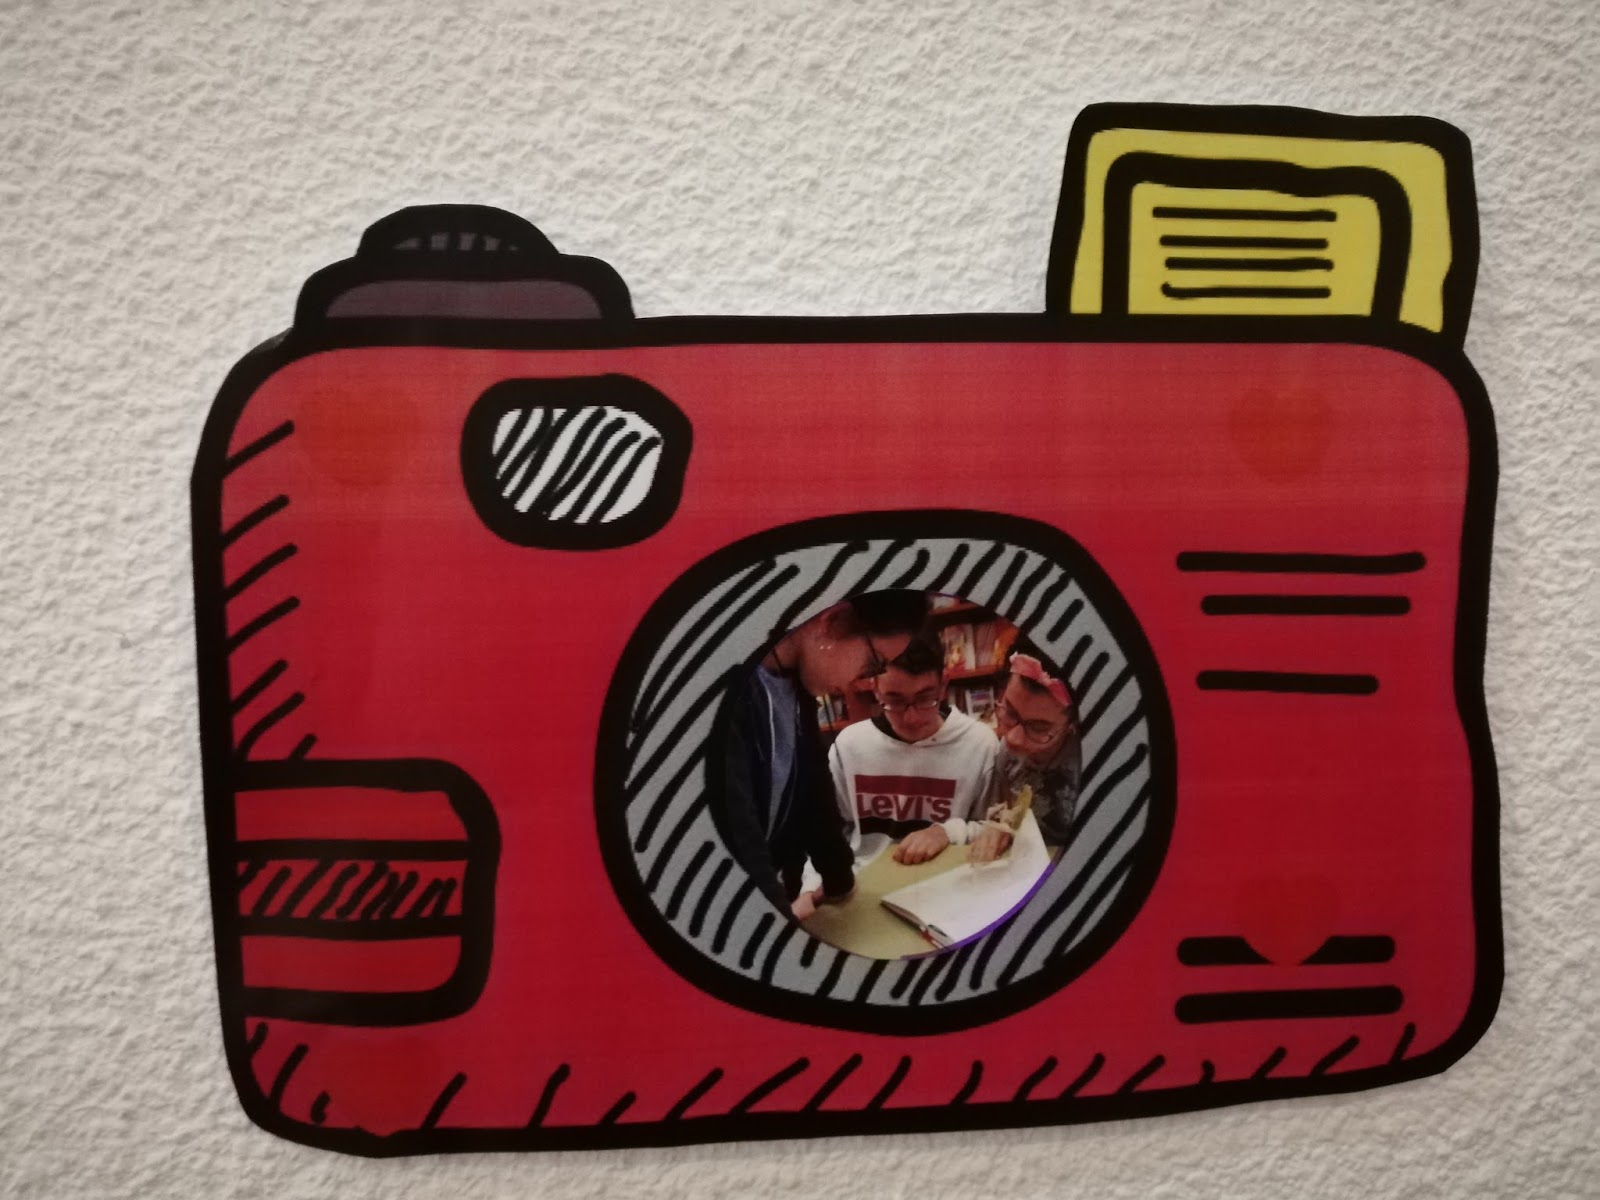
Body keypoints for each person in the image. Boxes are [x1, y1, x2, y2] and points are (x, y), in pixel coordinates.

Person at [716, 590, 927, 921]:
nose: (863, 680)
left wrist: (839, 880)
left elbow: (814, 792)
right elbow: (735, 833)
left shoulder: (794, 685)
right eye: (872, 664)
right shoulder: (726, 695)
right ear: (832, 622)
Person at [828, 635, 1000, 866]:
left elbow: (997, 830)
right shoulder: (849, 745)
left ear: (943, 686)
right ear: (875, 689)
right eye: (895, 701)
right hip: (865, 875)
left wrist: (947, 832)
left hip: (949, 876)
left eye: (925, 699)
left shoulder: (980, 743)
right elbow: (828, 830)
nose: (912, 718)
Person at [977, 652, 1081, 860]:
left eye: (1038, 728)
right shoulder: (1007, 754)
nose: (1013, 738)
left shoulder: (1090, 758)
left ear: (1073, 724)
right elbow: (1010, 813)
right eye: (1010, 712)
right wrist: (1000, 827)